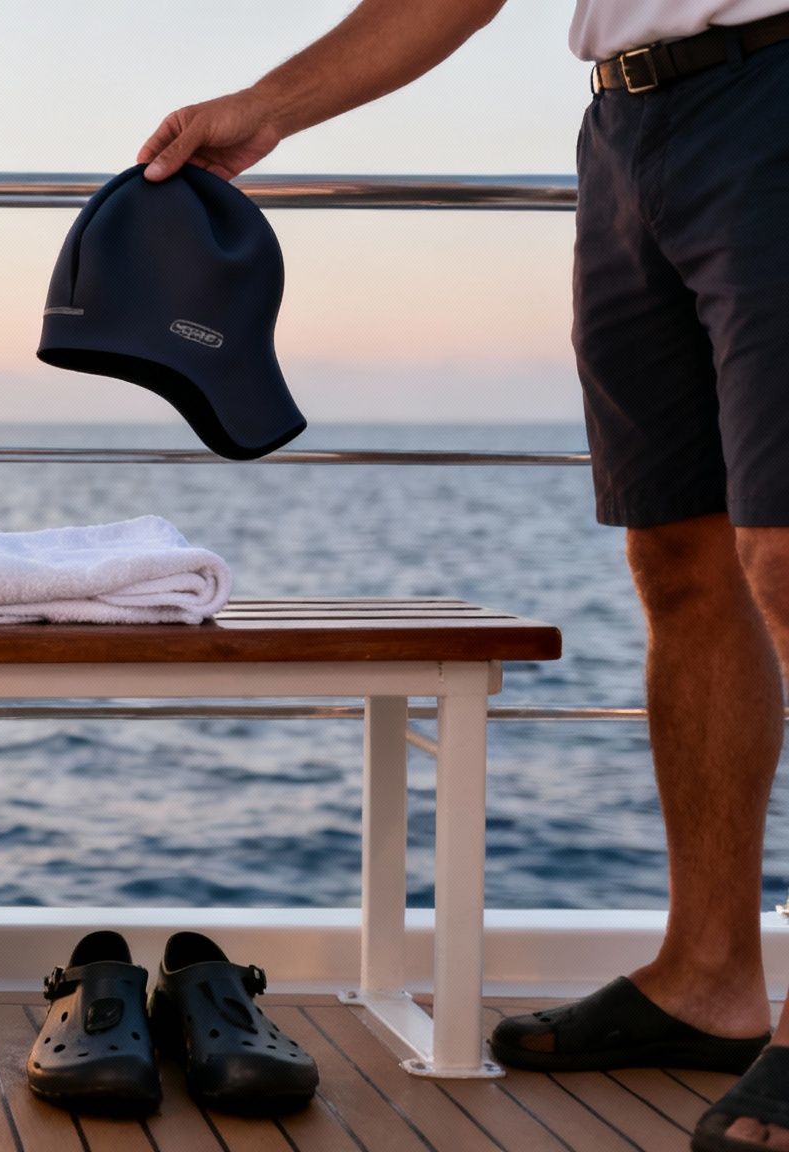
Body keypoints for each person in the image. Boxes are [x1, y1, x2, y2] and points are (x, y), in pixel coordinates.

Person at [139, 2, 789, 1147]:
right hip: (627, 127)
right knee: (678, 557)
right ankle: (706, 977)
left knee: (781, 554)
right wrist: (263, 110)